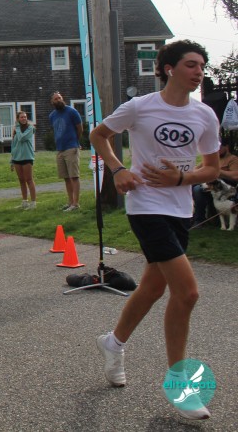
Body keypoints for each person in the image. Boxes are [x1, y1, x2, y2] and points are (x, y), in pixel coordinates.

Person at [90, 40, 221, 421]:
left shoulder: (204, 115)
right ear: (168, 68)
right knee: (188, 292)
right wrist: (118, 170)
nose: (198, 72)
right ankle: (182, 388)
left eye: (202, 66)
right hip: (145, 206)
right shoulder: (140, 106)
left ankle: (113, 343)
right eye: (191, 65)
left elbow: (212, 168)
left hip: (181, 210)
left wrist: (181, 178)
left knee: (153, 288)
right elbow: (99, 135)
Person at [49, 91, 83, 211]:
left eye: (59, 98)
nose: (58, 100)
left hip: (71, 147)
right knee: (66, 177)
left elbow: (80, 128)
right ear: (52, 102)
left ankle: (76, 203)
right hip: (60, 149)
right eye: (56, 99)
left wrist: (75, 142)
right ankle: (70, 202)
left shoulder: (72, 112)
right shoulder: (52, 115)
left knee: (74, 176)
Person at [192, 140, 237, 227]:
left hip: (224, 188)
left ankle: (199, 220)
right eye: (215, 148)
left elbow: (235, 176)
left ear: (226, 147)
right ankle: (189, 217)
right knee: (190, 186)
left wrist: (217, 171)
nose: (217, 150)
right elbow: (195, 169)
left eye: (219, 147)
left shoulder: (233, 159)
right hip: (209, 183)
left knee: (198, 190)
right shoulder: (212, 160)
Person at [9, 111, 37, 209]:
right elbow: (14, 145)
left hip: (27, 157)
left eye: (25, 117)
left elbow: (22, 138)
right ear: (18, 119)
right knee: (21, 180)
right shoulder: (16, 130)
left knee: (29, 179)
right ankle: (24, 202)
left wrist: (17, 128)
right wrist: (12, 160)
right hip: (17, 158)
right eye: (21, 117)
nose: (24, 118)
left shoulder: (30, 128)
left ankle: (33, 202)